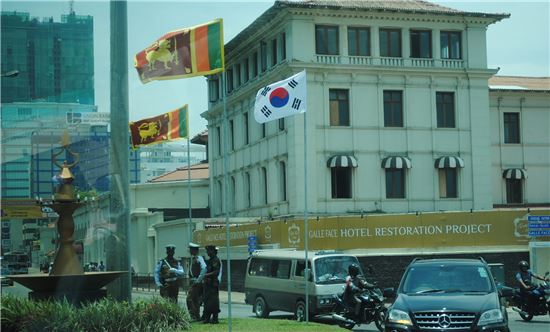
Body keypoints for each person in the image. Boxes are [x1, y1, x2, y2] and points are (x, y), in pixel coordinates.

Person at [186, 242, 207, 321]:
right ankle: (196, 316)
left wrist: (198, 280)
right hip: (192, 281)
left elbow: (204, 268)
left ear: (195, 250)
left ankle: (193, 316)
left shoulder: (199, 258)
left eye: (191, 249)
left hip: (196, 282)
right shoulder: (192, 258)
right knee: (195, 300)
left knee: (189, 299)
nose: (190, 251)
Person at [202, 245, 222, 324]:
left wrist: (206, 275)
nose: (207, 252)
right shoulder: (210, 260)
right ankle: (207, 318)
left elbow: (216, 272)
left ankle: (215, 318)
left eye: (208, 251)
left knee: (213, 302)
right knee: (207, 302)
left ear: (213, 251)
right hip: (208, 284)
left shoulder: (216, 260)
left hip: (213, 284)